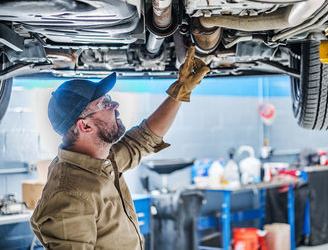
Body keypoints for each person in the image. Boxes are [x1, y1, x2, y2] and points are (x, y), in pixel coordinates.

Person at [30, 46, 209, 249]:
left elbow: (143, 139)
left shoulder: (101, 159)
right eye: (104, 104)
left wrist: (180, 90)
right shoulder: (69, 196)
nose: (115, 105)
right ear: (85, 125)